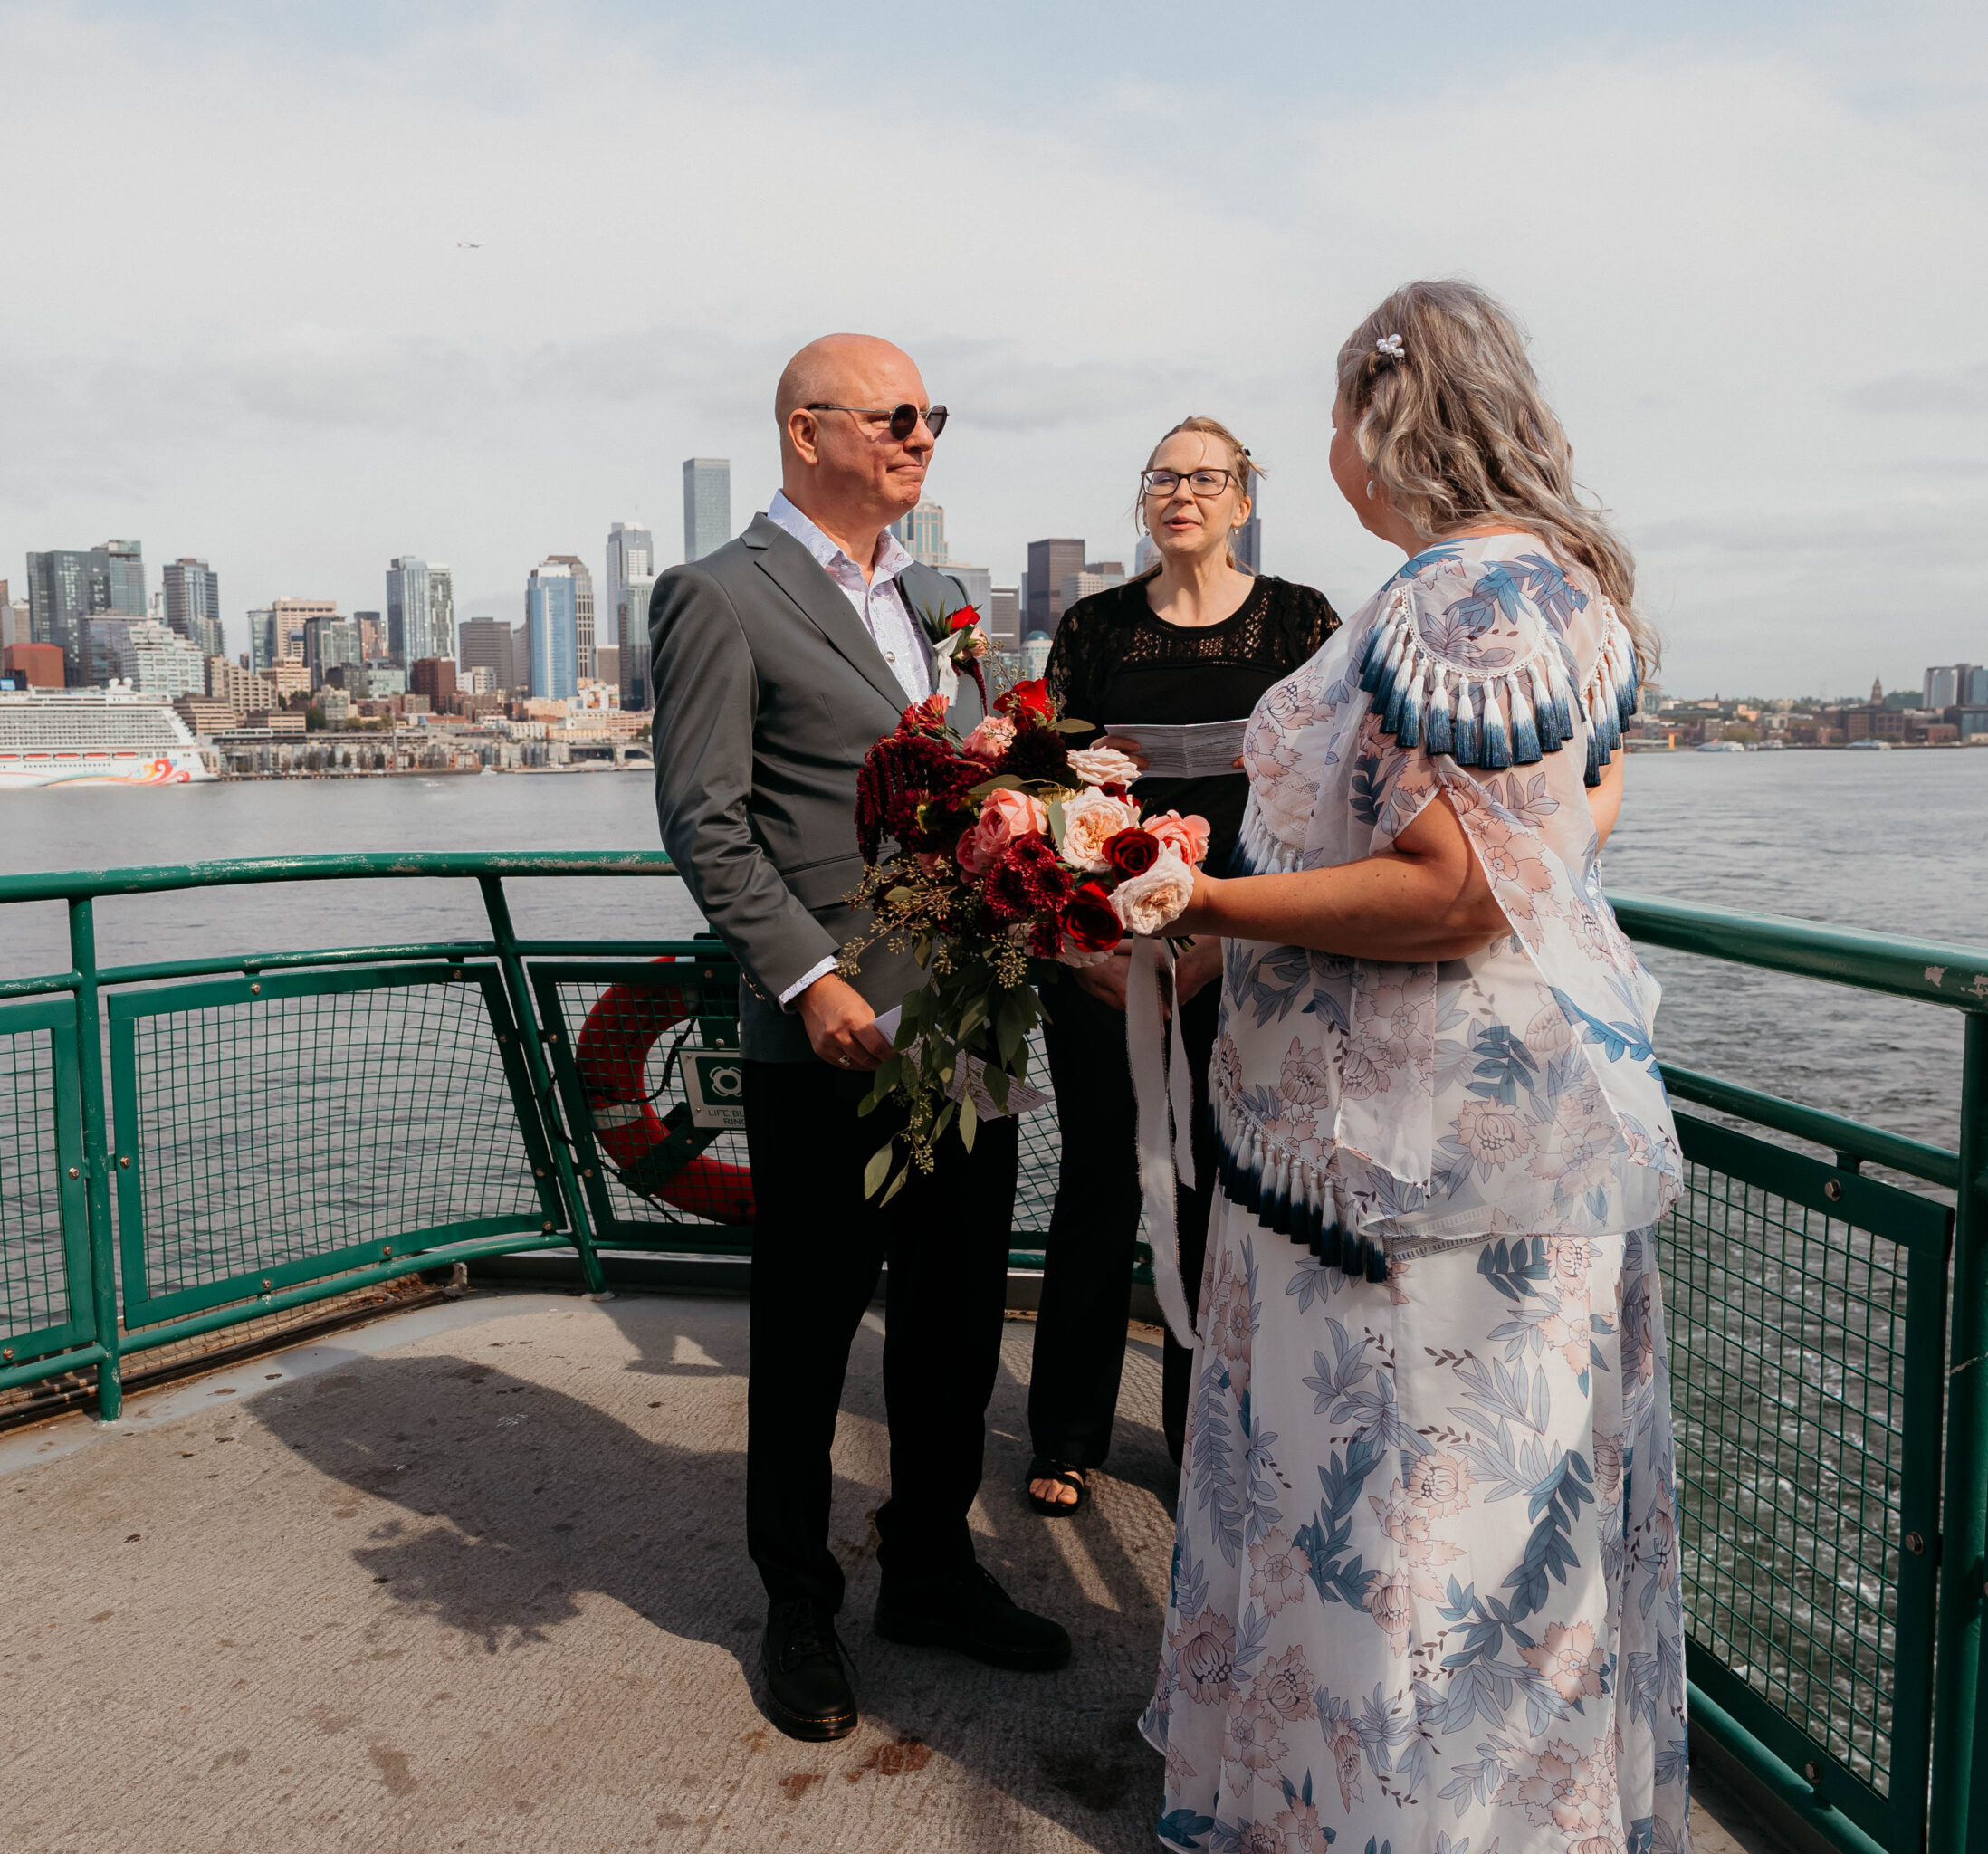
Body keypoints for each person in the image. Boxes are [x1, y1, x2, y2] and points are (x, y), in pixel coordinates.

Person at [1139, 283, 1692, 1851]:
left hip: (1405, 1193)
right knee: (1487, 1549)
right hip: (1447, 1166)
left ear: (1387, 426)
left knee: (1409, 1543)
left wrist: (1210, 898)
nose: (1323, 450)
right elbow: (1571, 828)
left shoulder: (1462, 597)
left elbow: (1454, 888)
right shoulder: (1549, 588)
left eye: (1331, 418)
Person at [651, 332, 1069, 1747]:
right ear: (806, 428)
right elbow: (707, 821)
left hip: (965, 1014)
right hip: (826, 1032)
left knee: (956, 1316)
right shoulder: (718, 597)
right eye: (897, 416)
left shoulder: (944, 595)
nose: (922, 436)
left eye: (932, 415)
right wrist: (811, 980)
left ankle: (934, 1572)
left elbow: (982, 774)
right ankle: (798, 1602)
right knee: (809, 1325)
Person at [1027, 417, 1337, 1516]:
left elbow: (1324, 799)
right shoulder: (1094, 627)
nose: (1182, 494)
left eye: (1207, 478)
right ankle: (1063, 1433)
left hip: (1244, 955)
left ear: (1243, 499)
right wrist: (1092, 942)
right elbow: (1049, 793)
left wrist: (1225, 936)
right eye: (1163, 477)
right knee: (1099, 1185)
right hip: (1104, 957)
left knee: (1217, 1193)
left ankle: (1194, 1432)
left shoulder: (1301, 621)